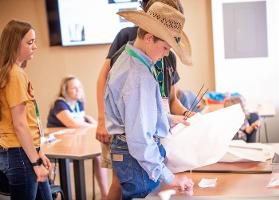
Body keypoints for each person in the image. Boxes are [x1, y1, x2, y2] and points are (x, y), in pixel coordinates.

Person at [96, 1, 189, 199]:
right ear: (149, 38)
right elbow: (140, 140)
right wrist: (171, 178)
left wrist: (169, 119)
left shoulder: (128, 57)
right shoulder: (138, 76)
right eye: (165, 47)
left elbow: (136, 112)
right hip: (135, 157)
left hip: (129, 152)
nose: (166, 54)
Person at [0, 20, 52, 200]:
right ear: (15, 44)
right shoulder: (15, 74)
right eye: (30, 42)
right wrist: (35, 161)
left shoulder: (15, 72)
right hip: (20, 154)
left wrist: (39, 152)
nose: (35, 47)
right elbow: (20, 124)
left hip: (25, 152)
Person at [47, 76, 109, 199]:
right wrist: (95, 126)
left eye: (79, 87)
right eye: (74, 88)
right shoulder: (59, 103)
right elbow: (73, 123)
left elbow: (81, 118)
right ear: (65, 90)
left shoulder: (78, 103)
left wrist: (92, 121)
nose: (78, 90)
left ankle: (105, 194)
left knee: (98, 155)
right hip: (58, 146)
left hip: (74, 142)